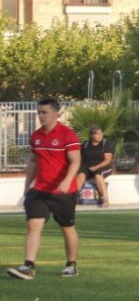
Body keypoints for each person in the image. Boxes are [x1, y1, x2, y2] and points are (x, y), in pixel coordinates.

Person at [7, 98, 82, 280]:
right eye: (39, 112)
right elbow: (33, 161)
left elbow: (76, 160)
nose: (41, 116)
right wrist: (27, 186)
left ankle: (71, 265)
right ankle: (28, 266)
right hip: (40, 190)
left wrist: (67, 181)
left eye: (44, 112)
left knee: (67, 228)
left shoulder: (68, 135)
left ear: (56, 113)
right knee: (33, 225)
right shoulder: (36, 136)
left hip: (63, 192)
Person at [77, 125, 113, 207]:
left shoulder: (105, 143)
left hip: (103, 166)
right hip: (88, 167)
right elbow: (80, 157)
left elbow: (107, 160)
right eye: (97, 134)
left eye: (101, 133)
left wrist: (96, 167)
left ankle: (105, 200)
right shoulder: (86, 144)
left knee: (98, 175)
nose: (100, 135)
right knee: (81, 175)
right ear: (91, 135)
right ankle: (72, 199)